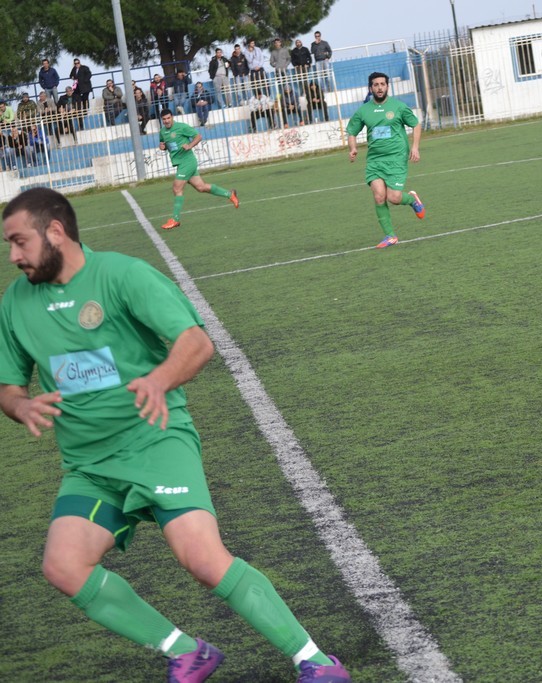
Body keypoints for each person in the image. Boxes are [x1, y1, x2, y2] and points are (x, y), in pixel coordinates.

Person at [0, 187, 353, 683]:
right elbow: (8, 386)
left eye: (19, 241)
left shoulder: (123, 275)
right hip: (89, 465)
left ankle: (314, 660)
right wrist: (20, 405)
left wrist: (159, 380)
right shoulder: (15, 303)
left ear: (55, 231)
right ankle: (186, 651)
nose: (13, 256)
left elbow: (196, 342)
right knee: (63, 566)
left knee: (203, 559)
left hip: (155, 441)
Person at [346, 72, 425, 249]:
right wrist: (352, 148)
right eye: (376, 85)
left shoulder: (398, 106)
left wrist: (415, 147)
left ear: (387, 86)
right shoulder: (364, 110)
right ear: (370, 88)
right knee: (379, 196)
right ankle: (390, 236)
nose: (380, 87)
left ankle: (412, 200)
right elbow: (352, 131)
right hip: (375, 161)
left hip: (396, 158)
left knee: (394, 198)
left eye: (382, 84)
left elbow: (415, 124)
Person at [157, 110, 239, 230]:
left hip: (187, 161)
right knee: (201, 187)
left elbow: (198, 136)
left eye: (168, 118)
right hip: (181, 164)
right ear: (162, 120)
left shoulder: (182, 127)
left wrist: (189, 146)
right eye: (164, 119)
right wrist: (162, 147)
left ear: (172, 117)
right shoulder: (162, 132)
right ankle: (229, 194)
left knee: (177, 188)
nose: (166, 121)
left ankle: (175, 219)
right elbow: (164, 144)